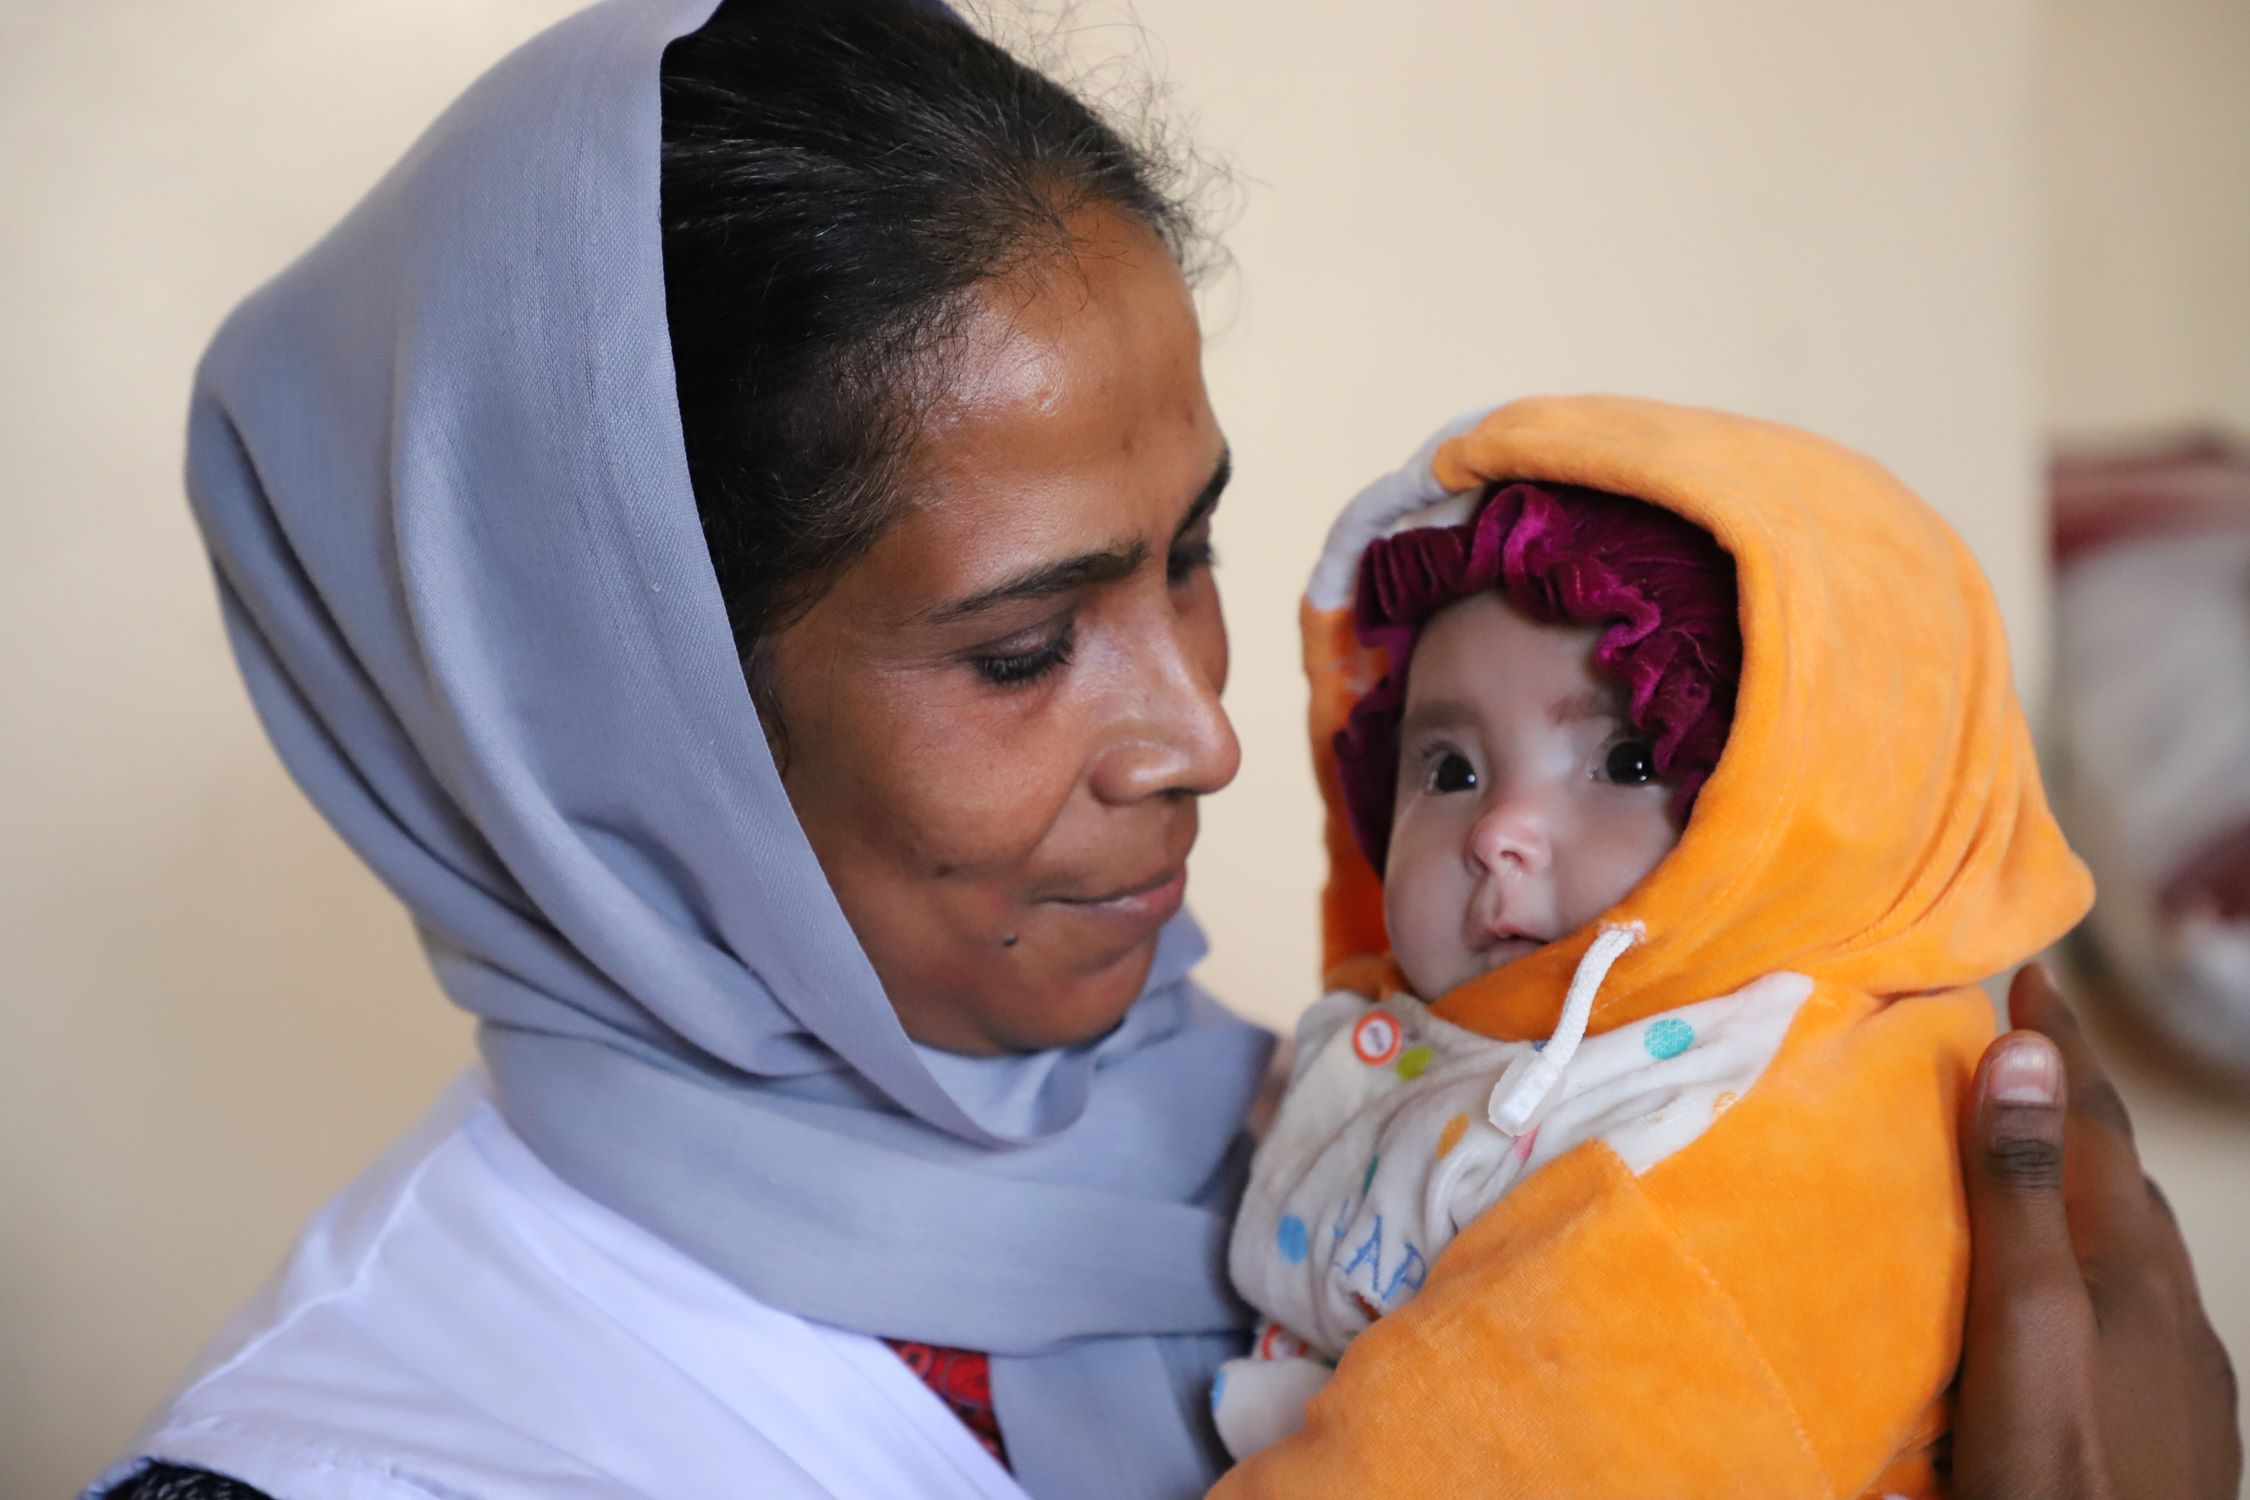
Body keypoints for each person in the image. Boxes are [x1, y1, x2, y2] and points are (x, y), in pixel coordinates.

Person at [90, 1, 2238, 1498]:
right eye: (1027, 649)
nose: (1208, 737)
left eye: (1193, 555)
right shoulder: (392, 1458)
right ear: (606, 749)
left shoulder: (1394, 1126)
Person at [1214, 403, 2091, 1497]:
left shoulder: (1753, 1145)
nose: (1498, 833)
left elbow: (1488, 1456)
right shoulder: (1449, 1032)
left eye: (1628, 762)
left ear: (1812, 817)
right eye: (1448, 770)